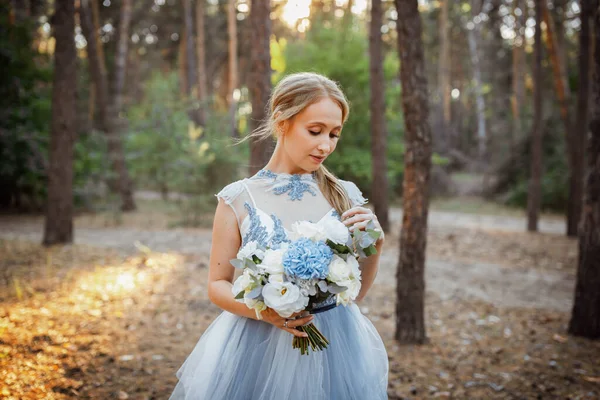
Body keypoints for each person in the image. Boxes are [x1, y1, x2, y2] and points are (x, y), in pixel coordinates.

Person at [169, 72, 389, 399]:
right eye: (315, 131)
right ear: (281, 120)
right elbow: (217, 286)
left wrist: (376, 247)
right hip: (255, 345)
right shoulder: (238, 199)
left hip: (334, 345)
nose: (325, 145)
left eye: (334, 134)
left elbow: (353, 298)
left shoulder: (346, 196)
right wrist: (265, 310)